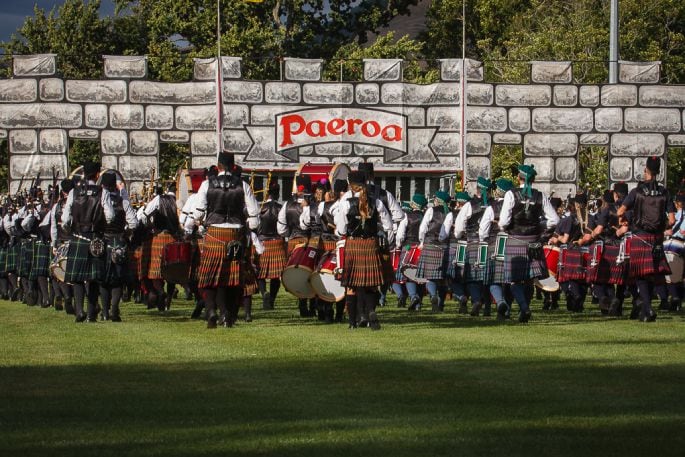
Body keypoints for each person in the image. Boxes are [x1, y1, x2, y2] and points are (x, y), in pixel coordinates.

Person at [189, 152, 260, 328]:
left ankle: (212, 311)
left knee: (208, 277)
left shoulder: (207, 184)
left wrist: (193, 224)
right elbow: (254, 216)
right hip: (235, 234)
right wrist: (249, 226)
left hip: (214, 234)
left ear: (218, 166)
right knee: (231, 279)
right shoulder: (243, 185)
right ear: (233, 166)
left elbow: (198, 212)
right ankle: (227, 315)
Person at [497, 164, 559, 322]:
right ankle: (525, 308)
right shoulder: (540, 195)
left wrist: (503, 226)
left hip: (515, 240)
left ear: (519, 178)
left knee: (514, 280)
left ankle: (524, 308)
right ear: (533, 179)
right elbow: (554, 220)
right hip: (534, 241)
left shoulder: (511, 194)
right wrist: (541, 229)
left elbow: (503, 221)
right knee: (530, 279)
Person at [617, 156, 675, 322]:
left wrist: (624, 220)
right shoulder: (665, 192)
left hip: (640, 236)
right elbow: (672, 220)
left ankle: (648, 308)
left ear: (646, 171)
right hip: (656, 238)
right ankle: (645, 309)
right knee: (652, 274)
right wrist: (661, 230)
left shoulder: (637, 191)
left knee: (641, 275)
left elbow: (621, 211)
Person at [334, 170, 393, 329]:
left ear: (350, 186)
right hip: (371, 245)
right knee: (371, 284)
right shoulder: (377, 202)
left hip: (354, 245)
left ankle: (352, 322)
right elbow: (388, 226)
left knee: (352, 285)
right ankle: (371, 311)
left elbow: (340, 230)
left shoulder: (345, 203)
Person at [61, 161, 115, 322]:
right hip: (95, 238)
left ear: (83, 173)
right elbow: (110, 216)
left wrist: (69, 229)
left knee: (77, 277)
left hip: (78, 237)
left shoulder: (73, 192)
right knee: (93, 278)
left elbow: (65, 219)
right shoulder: (102, 192)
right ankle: (92, 314)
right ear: (97, 174)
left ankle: (79, 311)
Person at [99, 172, 138, 322]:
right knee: (118, 278)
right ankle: (114, 308)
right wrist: (124, 233)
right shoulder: (123, 201)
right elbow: (133, 223)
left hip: (104, 240)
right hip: (120, 241)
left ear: (102, 185)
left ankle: (105, 311)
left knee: (104, 279)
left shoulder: (100, 200)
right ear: (115, 186)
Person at [277, 175, 318, 318]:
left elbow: (281, 229)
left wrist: (290, 234)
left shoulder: (287, 204)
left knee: (300, 274)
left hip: (294, 241)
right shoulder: (316, 202)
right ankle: (313, 306)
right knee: (313, 272)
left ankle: (302, 303)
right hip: (312, 241)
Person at [452, 177, 492, 316]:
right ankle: (488, 307)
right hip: (492, 243)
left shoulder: (469, 205)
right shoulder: (496, 204)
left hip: (474, 242)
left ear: (477, 189)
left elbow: (458, 227)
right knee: (489, 277)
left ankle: (476, 300)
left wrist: (459, 235)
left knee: (473, 277)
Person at [139, 182, 181, 312]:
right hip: (173, 237)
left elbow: (144, 216)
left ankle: (160, 291)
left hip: (158, 236)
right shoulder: (178, 200)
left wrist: (149, 227)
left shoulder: (158, 199)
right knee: (171, 270)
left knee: (155, 272)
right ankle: (168, 299)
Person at [549, 193, 589, 312]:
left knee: (566, 278)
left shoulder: (567, 220)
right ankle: (579, 303)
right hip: (585, 250)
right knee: (582, 278)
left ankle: (572, 297)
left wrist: (555, 239)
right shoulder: (590, 218)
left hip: (569, 250)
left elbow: (564, 239)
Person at [416, 190, 452, 312]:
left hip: (430, 245)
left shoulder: (431, 210)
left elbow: (423, 228)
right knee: (442, 278)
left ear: (438, 200)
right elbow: (447, 232)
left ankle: (433, 296)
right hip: (445, 247)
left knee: (430, 277)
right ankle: (441, 304)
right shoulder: (450, 213)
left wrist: (422, 241)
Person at [255, 182, 286, 310]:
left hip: (262, 242)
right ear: (278, 193)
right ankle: (271, 298)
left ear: (266, 193)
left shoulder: (259, 207)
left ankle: (264, 293)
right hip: (277, 242)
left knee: (260, 273)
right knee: (275, 275)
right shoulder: (281, 207)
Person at [393, 193, 427, 311]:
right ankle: (419, 303)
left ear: (413, 204)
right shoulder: (426, 216)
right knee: (421, 277)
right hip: (423, 248)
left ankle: (413, 297)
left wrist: (398, 246)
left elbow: (400, 235)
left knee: (408, 275)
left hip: (408, 247)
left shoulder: (407, 216)